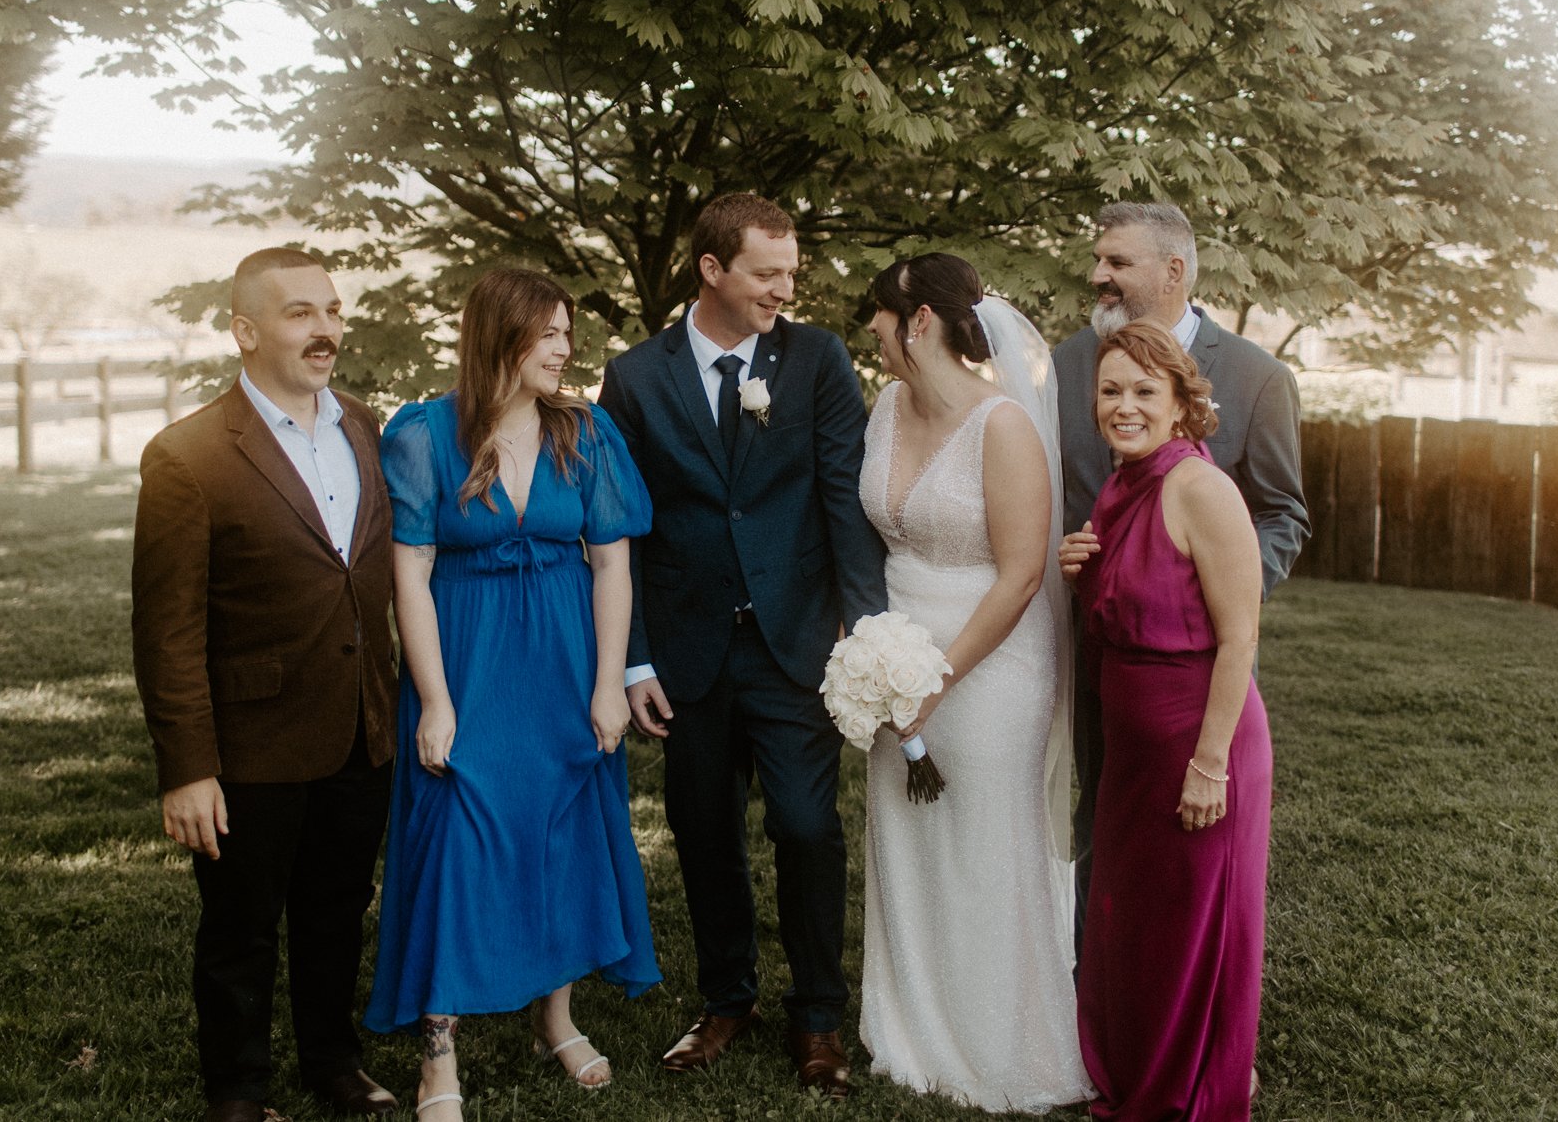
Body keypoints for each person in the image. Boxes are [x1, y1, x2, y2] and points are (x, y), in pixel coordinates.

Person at [598, 192, 887, 1098]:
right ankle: (727, 999)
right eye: (769, 273)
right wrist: (635, 657)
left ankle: (817, 1018)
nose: (785, 289)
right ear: (712, 270)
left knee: (807, 825)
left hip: (794, 641)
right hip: (684, 650)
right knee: (702, 829)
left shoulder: (816, 360)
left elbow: (842, 496)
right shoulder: (635, 376)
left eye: (791, 272)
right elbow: (623, 529)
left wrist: (866, 632)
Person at [368, 267, 659, 1120]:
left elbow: (611, 563)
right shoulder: (424, 433)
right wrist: (437, 699)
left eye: (570, 334)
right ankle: (438, 1051)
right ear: (502, 336)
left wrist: (609, 684)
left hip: (565, 663)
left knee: (560, 832)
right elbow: (409, 576)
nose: (567, 350)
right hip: (467, 659)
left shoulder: (587, 431)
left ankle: (556, 1018)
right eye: (550, 334)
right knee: (455, 839)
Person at [131, 247, 402, 1122]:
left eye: (330, 309)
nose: (324, 328)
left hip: (361, 726)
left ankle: (333, 1062)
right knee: (241, 929)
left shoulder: (364, 424)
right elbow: (167, 629)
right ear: (245, 331)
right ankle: (238, 1091)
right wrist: (187, 766)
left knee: (335, 909)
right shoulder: (188, 456)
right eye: (298, 313)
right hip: (249, 742)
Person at [853, 254, 1095, 1113]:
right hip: (893, 655)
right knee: (908, 838)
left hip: (989, 661)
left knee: (985, 842)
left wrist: (940, 676)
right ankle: (911, 1025)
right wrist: (878, 661)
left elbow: (1024, 574)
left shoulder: (1004, 427)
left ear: (919, 322)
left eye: (878, 315)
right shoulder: (883, 405)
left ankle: (1003, 1041)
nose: (871, 330)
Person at [1052, 200, 1307, 950]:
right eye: (1098, 259)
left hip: (1194, 668)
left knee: (1191, 851)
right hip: (1096, 647)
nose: (1098, 275)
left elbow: (1283, 512)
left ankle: (1182, 997)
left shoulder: (1258, 378)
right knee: (1099, 819)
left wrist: (1211, 593)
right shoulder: (1068, 365)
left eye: (1117, 262)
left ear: (1173, 271)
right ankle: (1092, 992)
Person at [1066, 320, 1272, 1121]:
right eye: (1111, 391)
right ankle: (1135, 1069)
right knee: (1137, 925)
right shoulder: (1121, 485)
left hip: (1201, 740)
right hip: (1134, 751)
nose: (1124, 406)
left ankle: (1188, 1091)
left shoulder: (1200, 488)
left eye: (1145, 392)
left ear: (1184, 403)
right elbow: (1129, 607)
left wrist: (1210, 761)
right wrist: (1078, 568)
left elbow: (1239, 634)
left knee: (1190, 930)